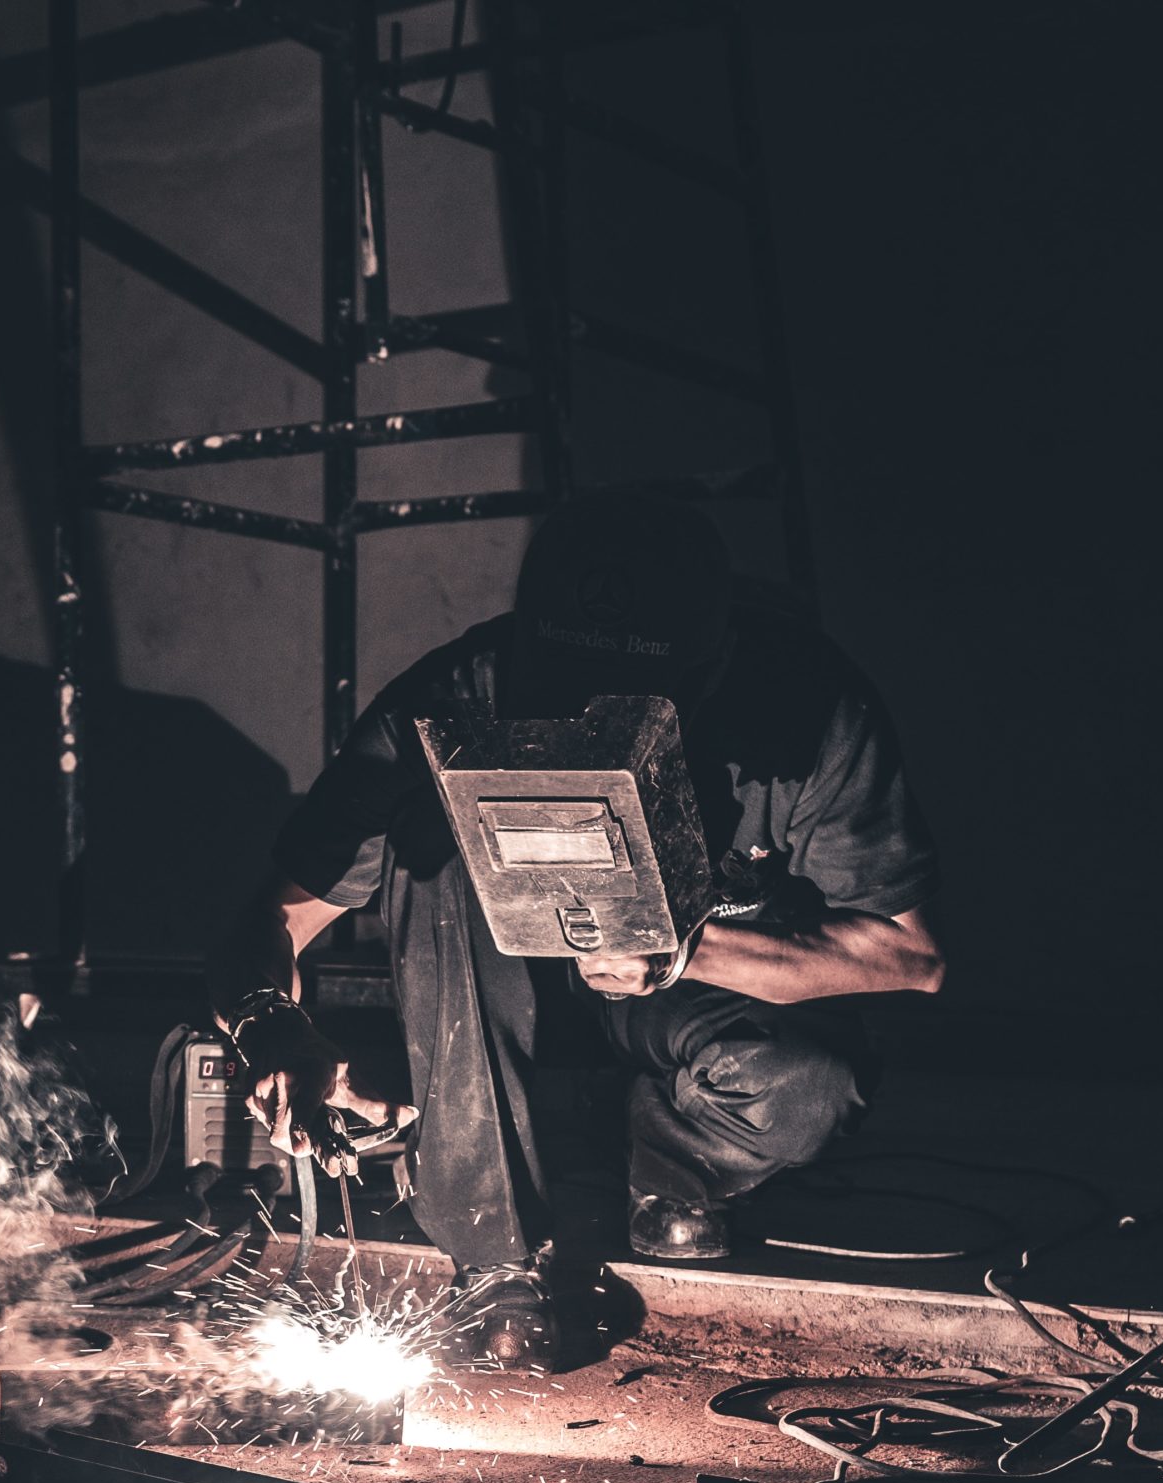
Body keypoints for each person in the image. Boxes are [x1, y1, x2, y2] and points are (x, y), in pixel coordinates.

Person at [209, 488, 943, 1365]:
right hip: (499, 1000)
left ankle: (641, 1167)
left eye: (617, 714)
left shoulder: (809, 709)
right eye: (563, 703)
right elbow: (272, 917)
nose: (580, 732)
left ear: (706, 676)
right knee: (426, 832)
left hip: (689, 1010)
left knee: (807, 1090)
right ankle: (493, 1255)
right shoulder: (456, 696)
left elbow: (909, 956)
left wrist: (678, 953)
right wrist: (269, 1023)